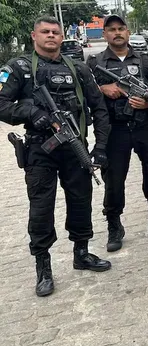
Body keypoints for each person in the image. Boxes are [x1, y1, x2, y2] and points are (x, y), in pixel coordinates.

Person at [0, 16, 111, 297]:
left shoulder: (78, 69)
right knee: (41, 208)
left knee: (81, 200)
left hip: (75, 147)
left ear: (62, 37)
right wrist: (32, 113)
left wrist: (100, 148)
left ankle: (82, 252)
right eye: (45, 32)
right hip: (40, 150)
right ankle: (43, 266)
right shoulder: (19, 68)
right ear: (33, 35)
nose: (51, 36)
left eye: (55, 32)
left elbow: (99, 109)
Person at [87, 15, 148, 251]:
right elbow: (83, 90)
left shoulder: (144, 60)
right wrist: (102, 88)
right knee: (114, 179)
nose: (117, 33)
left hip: (145, 125)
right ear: (105, 34)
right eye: (112, 29)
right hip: (114, 129)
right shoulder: (95, 62)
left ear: (128, 32)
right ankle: (114, 225)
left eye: (121, 29)